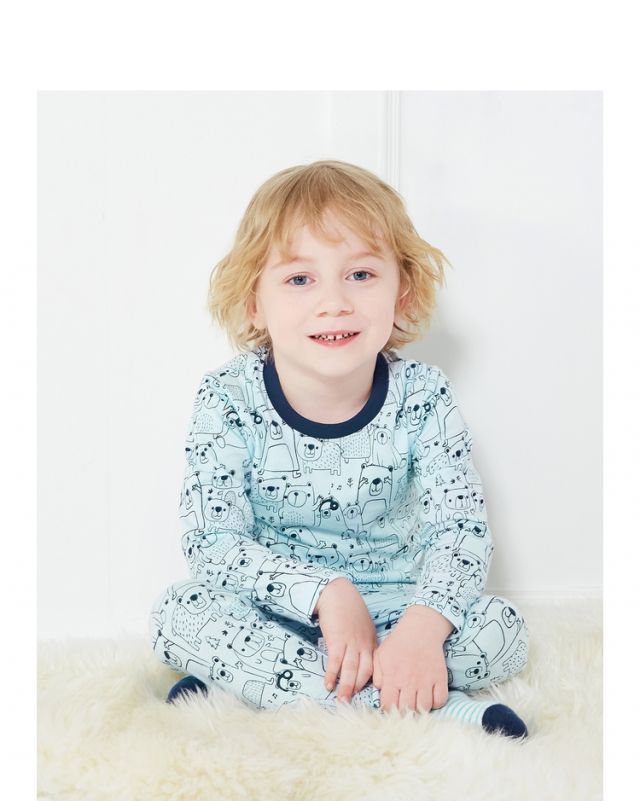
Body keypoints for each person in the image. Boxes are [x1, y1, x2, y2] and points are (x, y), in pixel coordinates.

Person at [149, 159, 530, 738]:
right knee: (178, 615)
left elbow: (460, 530)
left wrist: (422, 629)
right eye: (300, 280)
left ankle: (261, 687)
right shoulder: (228, 397)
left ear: (402, 293)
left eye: (360, 274)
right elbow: (213, 542)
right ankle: (429, 706)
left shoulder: (423, 395)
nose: (334, 302)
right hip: (280, 616)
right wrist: (324, 593)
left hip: (396, 612)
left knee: (503, 632)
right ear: (254, 303)